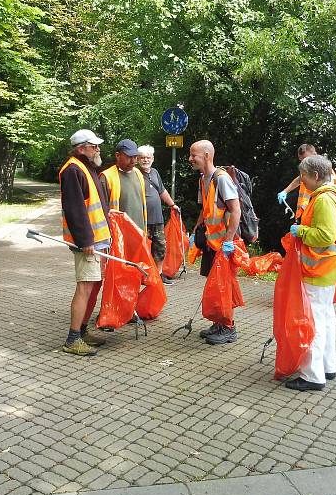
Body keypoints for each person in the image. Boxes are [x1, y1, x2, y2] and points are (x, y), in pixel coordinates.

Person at [286, 154, 336, 391]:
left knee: (314, 322)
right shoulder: (335, 193)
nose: (301, 180)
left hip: (318, 267)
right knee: (325, 317)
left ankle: (312, 375)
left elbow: (325, 235)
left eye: (303, 175)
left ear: (314, 175)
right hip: (328, 267)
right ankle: (327, 366)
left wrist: (300, 231)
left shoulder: (323, 200)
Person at [58, 129, 112, 357]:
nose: (98, 149)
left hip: (96, 240)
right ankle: (72, 339)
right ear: (82, 148)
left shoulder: (86, 167)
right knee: (84, 287)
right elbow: (75, 209)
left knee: (92, 286)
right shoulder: (72, 170)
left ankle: (81, 331)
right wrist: (85, 240)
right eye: (94, 146)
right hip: (87, 243)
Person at [188, 140, 242, 345]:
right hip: (212, 244)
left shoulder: (222, 179)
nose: (190, 159)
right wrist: (196, 230)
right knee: (215, 285)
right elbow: (205, 210)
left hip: (223, 245)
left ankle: (229, 328)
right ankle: (219, 323)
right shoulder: (204, 179)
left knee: (224, 286)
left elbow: (235, 210)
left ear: (207, 156)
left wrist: (229, 241)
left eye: (194, 155)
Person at [137, 145, 180, 285]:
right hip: (141, 220)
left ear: (152, 158)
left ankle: (159, 275)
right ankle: (142, 276)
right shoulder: (134, 173)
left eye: (148, 157)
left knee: (160, 248)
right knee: (142, 249)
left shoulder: (155, 172)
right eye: (142, 157)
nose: (145, 160)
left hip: (157, 219)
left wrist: (172, 204)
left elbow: (162, 191)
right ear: (137, 159)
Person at [277, 144, 336, 220]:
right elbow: (299, 179)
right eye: (301, 160)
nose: (304, 162)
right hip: (304, 215)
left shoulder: (325, 173)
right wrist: (285, 191)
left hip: (315, 215)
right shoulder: (309, 171)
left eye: (306, 159)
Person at [100, 139, 147, 232]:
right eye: (129, 157)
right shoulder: (106, 177)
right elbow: (101, 210)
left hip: (140, 232)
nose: (133, 161)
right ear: (117, 155)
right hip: (119, 234)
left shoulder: (138, 173)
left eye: (135, 157)